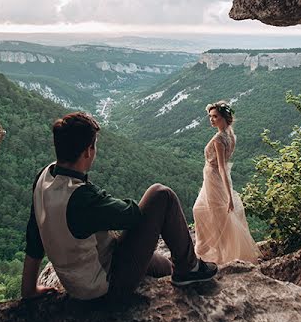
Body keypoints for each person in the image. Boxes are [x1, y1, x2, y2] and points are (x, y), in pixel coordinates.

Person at [21, 111, 217, 300]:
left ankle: (178, 269)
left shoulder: (45, 177)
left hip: (81, 280)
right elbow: (132, 215)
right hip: (106, 286)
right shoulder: (82, 198)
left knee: (163, 267)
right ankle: (189, 269)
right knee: (160, 194)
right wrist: (104, 198)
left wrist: (29, 289)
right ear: (88, 151)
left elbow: (34, 234)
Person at [192, 101, 261, 264]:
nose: (211, 120)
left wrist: (229, 195)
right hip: (213, 177)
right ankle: (209, 250)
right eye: (210, 116)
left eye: (215, 116)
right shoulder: (231, 134)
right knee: (205, 211)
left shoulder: (218, 139)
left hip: (214, 178)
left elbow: (222, 167)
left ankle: (215, 254)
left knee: (216, 216)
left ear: (224, 117)